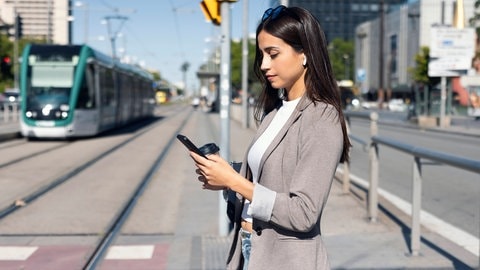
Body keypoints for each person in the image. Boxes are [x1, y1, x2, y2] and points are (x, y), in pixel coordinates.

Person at [190, 5, 351, 270]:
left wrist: (234, 181)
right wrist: (226, 177)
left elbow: (304, 213)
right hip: (247, 248)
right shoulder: (275, 111)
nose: (264, 65)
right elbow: (269, 180)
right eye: (262, 54)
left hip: (287, 261)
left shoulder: (322, 117)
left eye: (273, 54)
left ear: (305, 54)